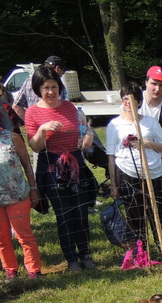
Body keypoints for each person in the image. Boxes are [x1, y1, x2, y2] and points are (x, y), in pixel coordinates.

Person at [24, 66, 95, 272]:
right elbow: (34, 146)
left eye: (54, 87)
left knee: (81, 212)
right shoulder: (33, 112)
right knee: (64, 215)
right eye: (46, 88)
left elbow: (83, 128)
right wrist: (42, 130)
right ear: (38, 89)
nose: (50, 92)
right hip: (52, 167)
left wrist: (88, 135)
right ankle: (71, 259)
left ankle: (85, 254)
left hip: (75, 164)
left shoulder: (70, 107)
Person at [106, 81, 162, 267]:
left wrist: (147, 143)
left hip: (153, 172)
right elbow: (111, 156)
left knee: (157, 212)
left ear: (139, 102)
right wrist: (113, 184)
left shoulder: (150, 122)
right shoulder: (114, 125)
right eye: (125, 100)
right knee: (135, 214)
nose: (128, 104)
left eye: (132, 100)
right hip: (127, 172)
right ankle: (141, 252)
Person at [1, 118, 42, 278]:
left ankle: (34, 270)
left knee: (24, 235)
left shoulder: (13, 137)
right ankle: (10, 270)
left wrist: (33, 189)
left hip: (17, 195)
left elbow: (27, 165)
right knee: (2, 238)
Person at [139, 66, 162, 186]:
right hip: (133, 159)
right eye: (154, 84)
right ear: (146, 82)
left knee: (158, 196)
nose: (157, 89)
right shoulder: (134, 101)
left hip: (157, 161)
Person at [13, 56, 68, 121]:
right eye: (63, 71)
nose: (62, 74)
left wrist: (30, 122)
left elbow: (16, 106)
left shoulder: (28, 81)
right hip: (53, 125)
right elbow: (65, 110)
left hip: (35, 125)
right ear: (57, 69)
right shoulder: (59, 85)